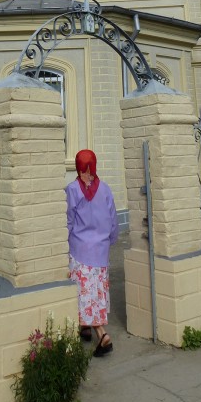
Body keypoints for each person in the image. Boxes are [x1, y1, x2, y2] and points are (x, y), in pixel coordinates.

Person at [66, 149, 119, 357]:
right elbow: (113, 219)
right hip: (100, 251)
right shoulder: (105, 189)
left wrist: (64, 244)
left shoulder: (72, 190)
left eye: (87, 171)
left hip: (80, 250)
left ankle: (102, 334)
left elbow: (69, 220)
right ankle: (85, 328)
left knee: (85, 293)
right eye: (83, 171)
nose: (86, 175)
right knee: (96, 292)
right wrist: (109, 241)